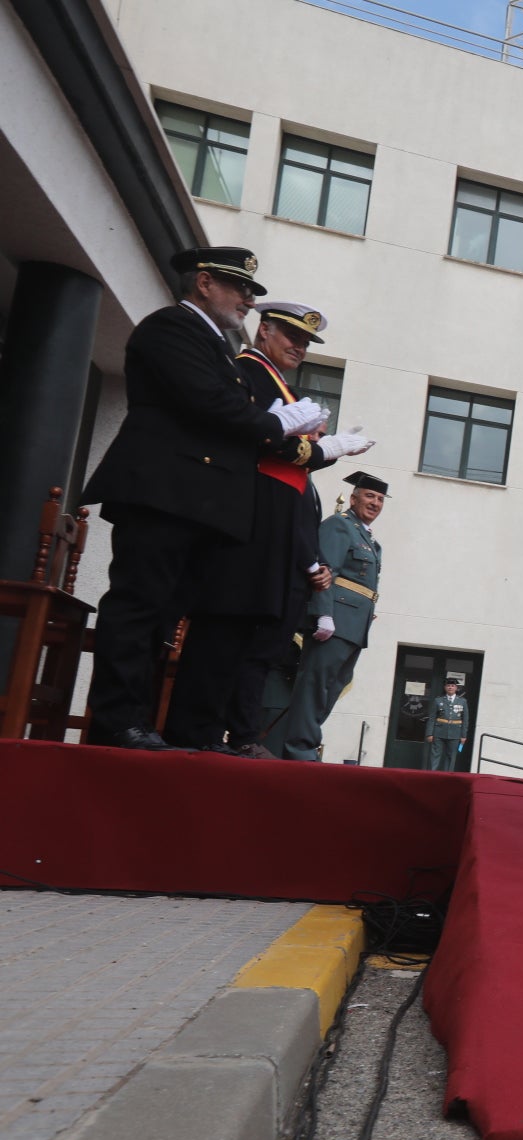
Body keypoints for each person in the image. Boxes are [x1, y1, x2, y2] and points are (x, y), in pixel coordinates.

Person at [80, 246, 331, 750]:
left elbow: (231, 410)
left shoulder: (215, 344)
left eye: (251, 292)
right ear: (204, 283)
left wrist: (291, 435)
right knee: (139, 607)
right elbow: (212, 405)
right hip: (163, 492)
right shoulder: (171, 328)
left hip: (198, 504)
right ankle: (116, 720)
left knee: (163, 618)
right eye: (240, 289)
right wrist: (277, 423)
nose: (247, 300)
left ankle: (141, 720)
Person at [168, 302, 372, 756]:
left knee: (244, 636)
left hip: (268, 527)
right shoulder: (250, 370)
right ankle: (194, 732)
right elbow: (265, 441)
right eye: (290, 337)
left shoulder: (272, 377)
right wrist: (325, 450)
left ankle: (214, 732)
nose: (298, 347)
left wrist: (321, 450)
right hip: (249, 519)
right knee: (222, 630)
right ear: (264, 331)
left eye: (305, 342)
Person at [270, 472, 386, 761]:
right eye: (370, 496)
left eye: (381, 499)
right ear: (354, 497)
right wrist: (323, 613)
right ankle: (300, 749)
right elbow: (326, 571)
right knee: (315, 685)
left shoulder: (369, 538)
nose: (375, 503)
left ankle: (305, 743)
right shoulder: (339, 526)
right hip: (335, 620)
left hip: (355, 625)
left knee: (331, 688)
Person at [425, 676, 469, 771]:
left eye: (452, 685)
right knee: (435, 754)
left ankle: (448, 775)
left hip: (455, 732)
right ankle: (432, 773)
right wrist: (429, 733)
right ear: (445, 688)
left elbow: (465, 719)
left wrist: (463, 735)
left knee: (451, 756)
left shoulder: (462, 701)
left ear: (456, 688)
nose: (450, 687)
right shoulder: (438, 700)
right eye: (448, 685)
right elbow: (432, 718)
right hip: (439, 732)